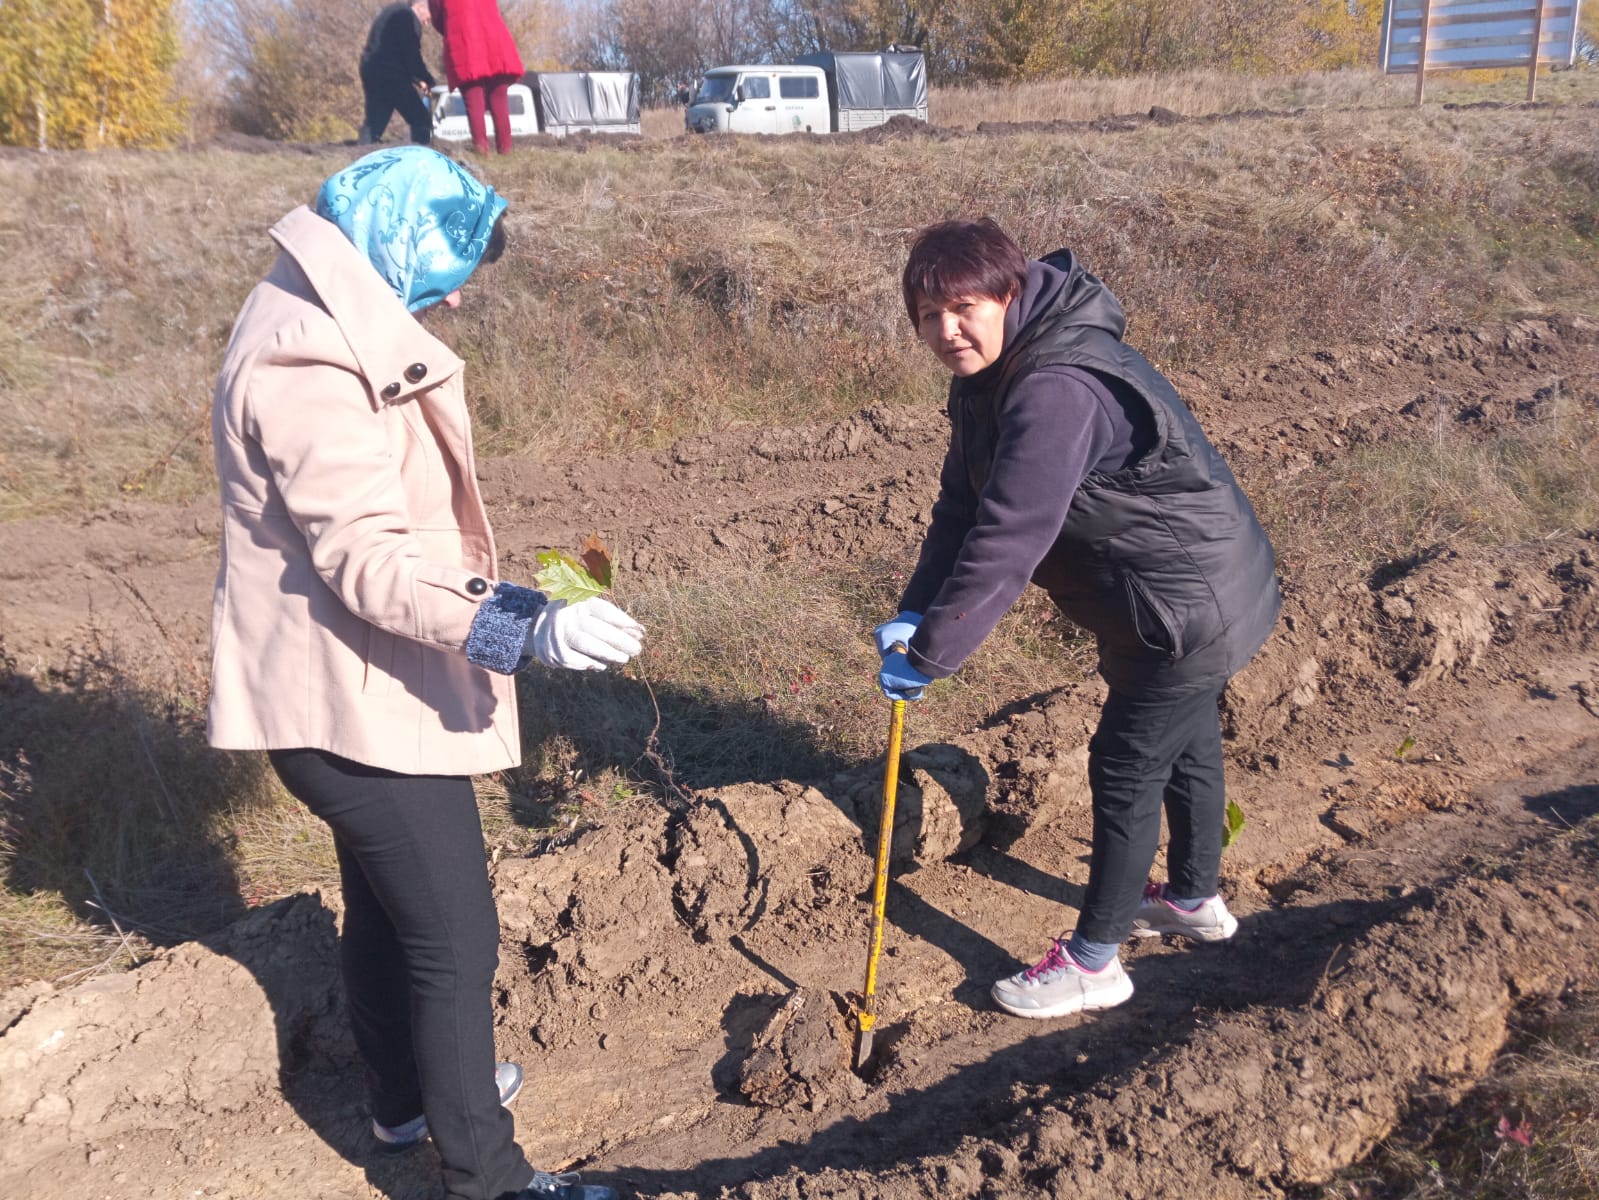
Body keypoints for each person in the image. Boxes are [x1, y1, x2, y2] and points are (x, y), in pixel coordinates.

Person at [208, 145, 636, 1200]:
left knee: (389, 908)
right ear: (400, 239)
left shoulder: (321, 310)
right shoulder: (306, 353)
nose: (447, 301)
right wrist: (520, 629)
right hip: (346, 702)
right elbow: (368, 561)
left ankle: (406, 1103)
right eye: (446, 275)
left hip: (359, 688)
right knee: (454, 935)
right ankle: (486, 1176)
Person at [875, 218, 1280, 1021]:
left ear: (1009, 294)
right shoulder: (993, 375)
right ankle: (1194, 901)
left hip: (1182, 606)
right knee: (1188, 736)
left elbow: (1009, 535)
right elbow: (961, 503)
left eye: (963, 307)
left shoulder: (1054, 388)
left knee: (1125, 765)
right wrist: (913, 610)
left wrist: (929, 655)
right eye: (927, 315)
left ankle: (1095, 962)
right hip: (1178, 594)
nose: (947, 331)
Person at [428, 0, 524, 154]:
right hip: (494, 38)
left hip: (464, 40)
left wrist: (452, 27)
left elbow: (438, 17)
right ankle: (506, 151)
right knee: (499, 101)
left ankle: (482, 150)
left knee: (474, 101)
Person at [358, 1, 437, 146]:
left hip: (372, 69)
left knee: (375, 121)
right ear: (419, 7)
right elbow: (411, 55)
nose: (426, 23)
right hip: (390, 76)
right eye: (428, 17)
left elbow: (397, 51)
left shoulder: (394, 12)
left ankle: (362, 152)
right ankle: (421, 154)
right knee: (420, 119)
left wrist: (417, 79)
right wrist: (426, 78)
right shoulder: (407, 17)